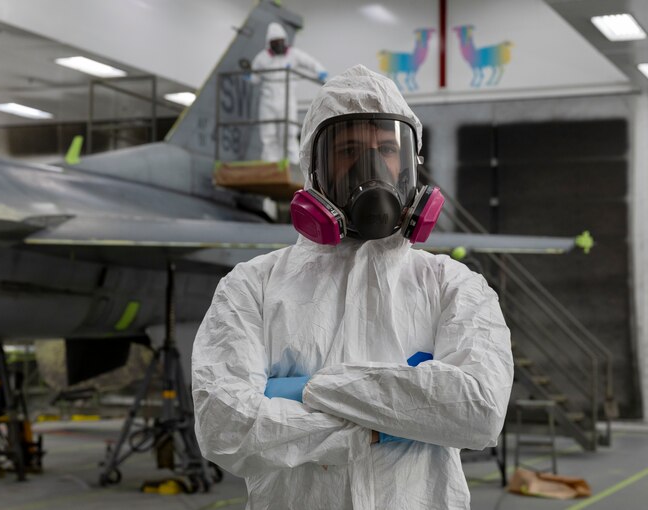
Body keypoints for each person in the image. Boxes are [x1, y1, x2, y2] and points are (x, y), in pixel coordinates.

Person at [192, 65, 513, 509]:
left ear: (409, 162)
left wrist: (300, 389)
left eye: (387, 148)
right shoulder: (252, 288)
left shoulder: (454, 287)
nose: (373, 166)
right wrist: (401, 417)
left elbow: (479, 411)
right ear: (314, 169)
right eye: (348, 150)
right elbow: (225, 427)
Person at [250, 22, 327, 164]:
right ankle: (269, 164)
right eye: (275, 42)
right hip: (267, 101)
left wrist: (320, 72)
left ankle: (293, 164)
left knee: (289, 133)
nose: (278, 44)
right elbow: (254, 78)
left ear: (284, 41)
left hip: (287, 101)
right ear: (269, 43)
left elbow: (310, 63)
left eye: (280, 41)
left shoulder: (294, 55)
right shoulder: (262, 58)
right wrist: (250, 77)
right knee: (268, 135)